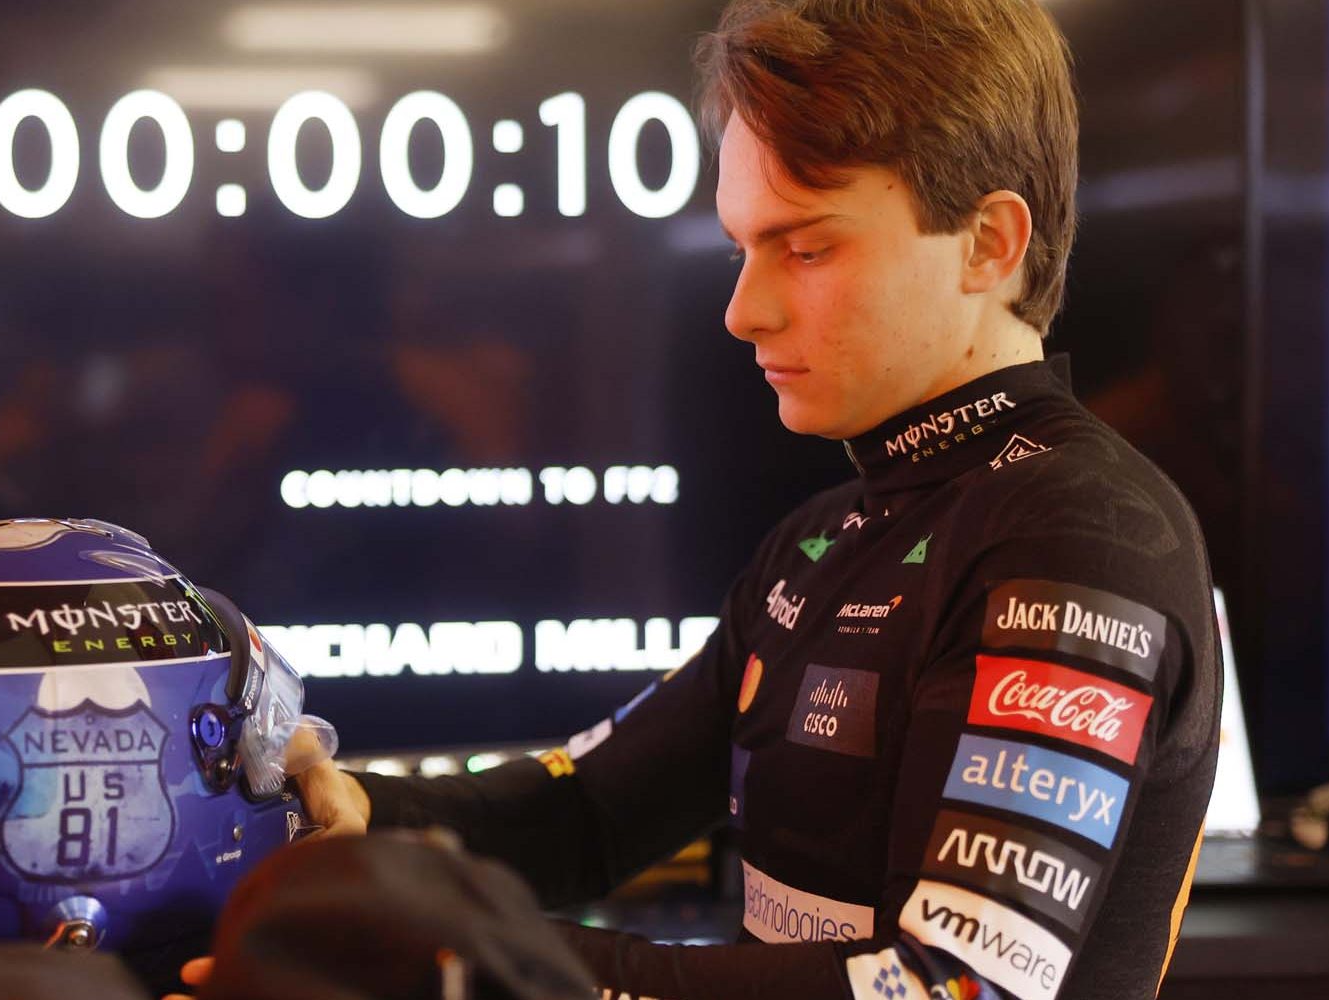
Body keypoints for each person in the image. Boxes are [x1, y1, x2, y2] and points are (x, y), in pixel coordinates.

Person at [292, 1, 1221, 998]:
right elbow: (592, 812)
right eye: (743, 248)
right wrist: (347, 812)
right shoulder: (821, 542)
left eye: (807, 248)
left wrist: (482, 969)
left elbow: (953, 987)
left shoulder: (1082, 535)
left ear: (989, 243)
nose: (744, 309)